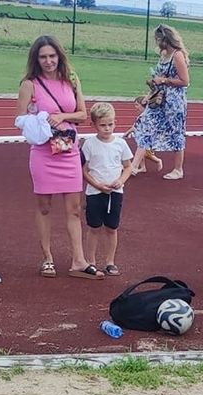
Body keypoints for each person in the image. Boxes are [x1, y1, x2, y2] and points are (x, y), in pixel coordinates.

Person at [15, 35, 99, 279]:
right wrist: (37, 119)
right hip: (44, 152)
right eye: (43, 57)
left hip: (69, 150)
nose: (49, 61)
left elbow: (83, 114)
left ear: (59, 56)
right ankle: (47, 257)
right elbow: (19, 119)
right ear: (36, 59)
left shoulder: (71, 80)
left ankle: (79, 260)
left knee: (74, 209)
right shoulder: (29, 84)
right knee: (44, 207)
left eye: (52, 56)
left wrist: (61, 117)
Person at [80, 102, 134, 276]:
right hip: (95, 193)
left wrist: (120, 181)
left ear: (115, 123)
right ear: (94, 125)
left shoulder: (120, 144)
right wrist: (97, 185)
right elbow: (83, 170)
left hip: (115, 193)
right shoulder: (89, 144)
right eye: (102, 125)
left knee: (112, 228)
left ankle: (110, 261)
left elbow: (128, 167)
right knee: (93, 227)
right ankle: (91, 261)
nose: (107, 128)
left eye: (110, 124)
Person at [129, 25, 189, 180]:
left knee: (176, 132)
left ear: (165, 39)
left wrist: (163, 80)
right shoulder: (163, 55)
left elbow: (185, 81)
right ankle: (134, 166)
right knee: (145, 125)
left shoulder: (177, 55)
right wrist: (152, 89)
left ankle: (178, 169)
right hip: (159, 98)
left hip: (173, 101)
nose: (156, 42)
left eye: (158, 39)